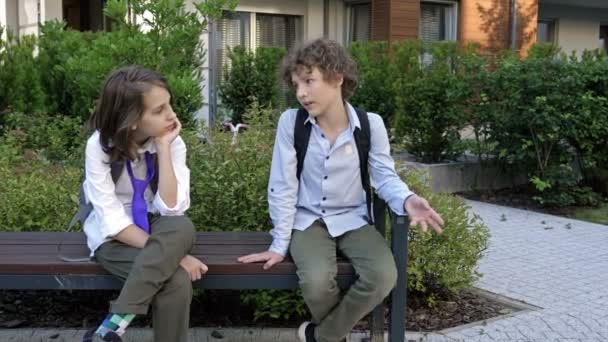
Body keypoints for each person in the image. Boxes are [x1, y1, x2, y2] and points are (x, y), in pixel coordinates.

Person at [238, 39, 444, 342]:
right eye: (296, 85)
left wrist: (408, 199)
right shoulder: (291, 124)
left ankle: (322, 336)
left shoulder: (370, 125)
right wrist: (279, 244)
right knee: (317, 282)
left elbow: (384, 177)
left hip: (353, 219)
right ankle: (336, 337)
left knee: (383, 276)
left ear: (337, 78)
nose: (301, 93)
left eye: (309, 81)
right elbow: (282, 186)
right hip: (308, 221)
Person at [81, 65, 207, 342]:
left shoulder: (172, 142)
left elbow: (172, 209)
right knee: (175, 281)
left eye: (169, 104)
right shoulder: (98, 147)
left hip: (160, 230)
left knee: (182, 225)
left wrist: (163, 148)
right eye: (159, 110)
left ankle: (112, 326)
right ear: (132, 119)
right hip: (114, 241)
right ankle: (115, 324)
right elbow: (113, 223)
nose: (172, 115)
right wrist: (176, 256)